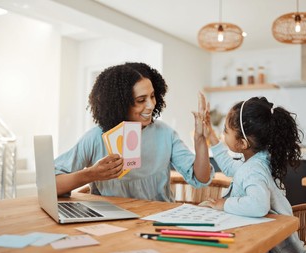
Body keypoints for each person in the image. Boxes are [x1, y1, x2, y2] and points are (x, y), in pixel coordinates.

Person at [54, 62, 214, 201]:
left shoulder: (165, 134)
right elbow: (51, 185)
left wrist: (200, 141)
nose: (151, 105)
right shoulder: (97, 137)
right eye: (141, 100)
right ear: (119, 104)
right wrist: (91, 174)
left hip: (159, 221)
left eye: (152, 96)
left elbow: (201, 178)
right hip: (113, 226)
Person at [199, 94, 306, 253]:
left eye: (226, 131)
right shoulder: (256, 160)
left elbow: (258, 206)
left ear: (242, 144)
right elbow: (229, 167)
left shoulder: (254, 170)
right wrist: (211, 135)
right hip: (277, 248)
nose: (223, 135)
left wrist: (225, 204)